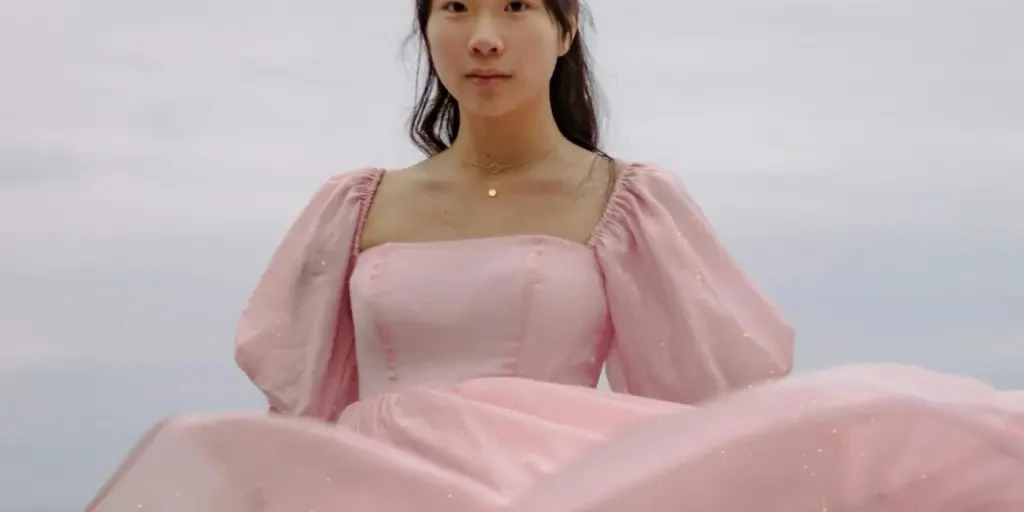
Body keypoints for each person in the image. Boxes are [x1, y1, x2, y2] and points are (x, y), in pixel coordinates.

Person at [87, 1, 1024, 510]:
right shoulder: (353, 206)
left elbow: (710, 390)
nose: (484, 35)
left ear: (566, 26)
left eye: (517, 6)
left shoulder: (628, 202)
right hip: (362, 490)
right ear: (426, 27)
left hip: (547, 484)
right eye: (454, 6)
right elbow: (306, 397)